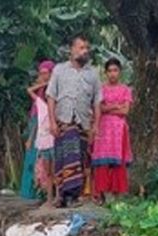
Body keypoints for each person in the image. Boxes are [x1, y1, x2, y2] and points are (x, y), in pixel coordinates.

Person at [47, 34, 102, 208]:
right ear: (71, 50)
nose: (84, 51)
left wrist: (95, 127)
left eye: (86, 48)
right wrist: (52, 122)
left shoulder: (93, 74)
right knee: (64, 158)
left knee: (78, 159)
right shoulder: (59, 70)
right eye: (80, 47)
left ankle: (72, 196)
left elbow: (97, 102)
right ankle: (62, 196)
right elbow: (51, 97)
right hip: (63, 122)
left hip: (83, 124)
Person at [91, 58, 134, 202]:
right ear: (105, 73)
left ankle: (117, 195)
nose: (112, 74)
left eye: (115, 70)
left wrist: (108, 108)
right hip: (103, 129)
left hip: (119, 130)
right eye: (109, 71)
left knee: (118, 163)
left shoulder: (126, 90)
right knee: (102, 162)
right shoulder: (101, 89)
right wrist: (116, 106)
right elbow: (99, 108)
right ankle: (103, 194)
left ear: (120, 72)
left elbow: (126, 111)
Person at [19, 60, 54, 200]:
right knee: (33, 160)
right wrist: (43, 83)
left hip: (47, 129)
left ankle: (44, 193)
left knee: (45, 163)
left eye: (46, 73)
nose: (43, 75)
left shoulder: (53, 90)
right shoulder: (40, 91)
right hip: (37, 126)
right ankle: (30, 192)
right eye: (41, 73)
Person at [28, 60, 57, 205]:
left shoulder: (56, 107)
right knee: (48, 172)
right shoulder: (40, 103)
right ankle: (50, 199)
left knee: (55, 171)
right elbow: (30, 90)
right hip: (44, 141)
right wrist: (44, 84)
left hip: (54, 139)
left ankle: (56, 198)